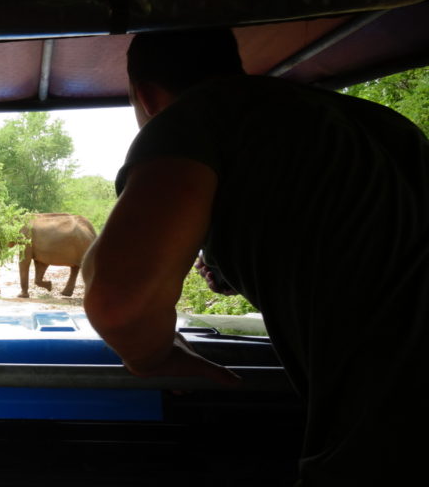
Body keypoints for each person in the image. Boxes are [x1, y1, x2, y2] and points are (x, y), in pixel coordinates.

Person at [81, 28, 429, 485]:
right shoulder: (377, 124)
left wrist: (152, 357)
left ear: (146, 96)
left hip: (395, 431)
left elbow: (118, 300)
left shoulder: (192, 116)